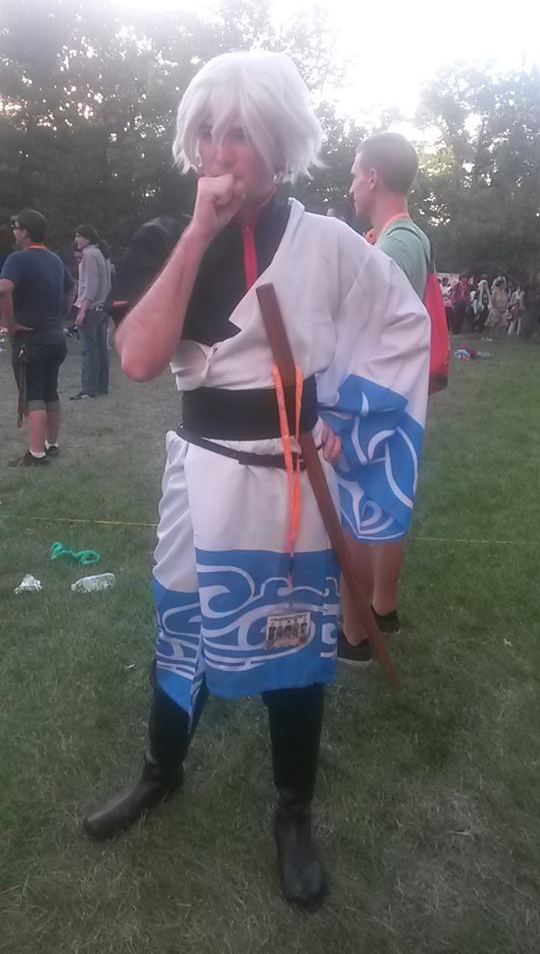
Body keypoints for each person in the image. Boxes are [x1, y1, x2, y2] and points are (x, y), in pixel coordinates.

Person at [81, 52, 430, 907]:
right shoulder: (165, 240)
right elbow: (138, 359)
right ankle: (162, 770)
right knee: (182, 634)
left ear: (278, 142)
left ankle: (293, 813)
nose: (218, 149)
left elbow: (399, 324)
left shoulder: (330, 244)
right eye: (207, 130)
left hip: (290, 485)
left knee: (296, 650)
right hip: (201, 475)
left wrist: (347, 417)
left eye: (239, 132)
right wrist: (199, 233)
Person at [343, 131, 431, 666]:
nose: (352, 185)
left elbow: (364, 324)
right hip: (390, 393)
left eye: (356, 174)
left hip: (372, 396)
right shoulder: (407, 239)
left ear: (374, 177)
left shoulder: (395, 246)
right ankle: (382, 609)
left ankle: (354, 636)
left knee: (355, 514)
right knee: (380, 505)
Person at [0, 209, 75, 466]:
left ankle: (36, 454)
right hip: (56, 339)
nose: (13, 231)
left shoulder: (18, 259)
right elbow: (71, 291)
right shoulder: (55, 259)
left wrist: (10, 325)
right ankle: (51, 444)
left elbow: (3, 290)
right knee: (50, 391)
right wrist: (59, 317)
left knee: (34, 395)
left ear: (25, 232)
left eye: (16, 227)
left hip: (30, 341)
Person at [71, 224, 112, 400]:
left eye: (78, 236)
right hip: (102, 308)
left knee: (89, 350)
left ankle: (88, 389)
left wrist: (82, 311)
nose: (76, 240)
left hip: (91, 308)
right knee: (101, 348)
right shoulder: (102, 253)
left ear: (87, 238)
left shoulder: (89, 255)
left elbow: (90, 286)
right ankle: (102, 385)